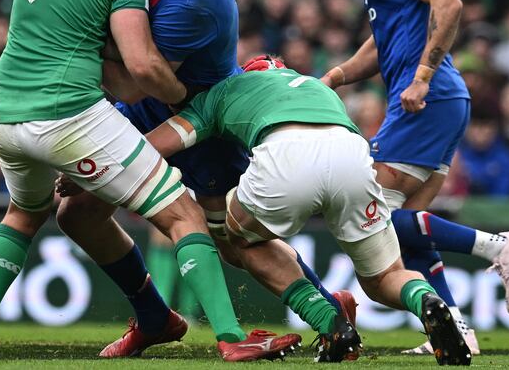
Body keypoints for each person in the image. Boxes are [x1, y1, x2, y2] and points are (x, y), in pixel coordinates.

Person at [0, 0, 301, 362]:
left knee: (24, 214)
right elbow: (142, 73)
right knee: (183, 215)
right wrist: (187, 102)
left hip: (5, 112)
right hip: (67, 113)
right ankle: (233, 338)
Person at [55, 0, 341, 359]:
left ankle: (329, 313)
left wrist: (73, 40)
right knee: (77, 212)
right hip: (155, 103)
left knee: (235, 240)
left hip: (202, 120)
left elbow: (134, 81)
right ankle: (152, 316)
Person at [120, 55, 472, 365]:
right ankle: (425, 298)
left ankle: (329, 320)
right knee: (384, 277)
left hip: (286, 153)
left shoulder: (225, 90)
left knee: (240, 242)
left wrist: (99, 166)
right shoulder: (316, 87)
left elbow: (158, 143)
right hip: (351, 154)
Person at [322, 0, 509, 356]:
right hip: (435, 100)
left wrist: (420, 77)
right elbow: (383, 41)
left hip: (427, 98)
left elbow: (449, 2)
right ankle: (458, 331)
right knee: (406, 237)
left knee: (368, 215)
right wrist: (336, 76)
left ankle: (498, 247)